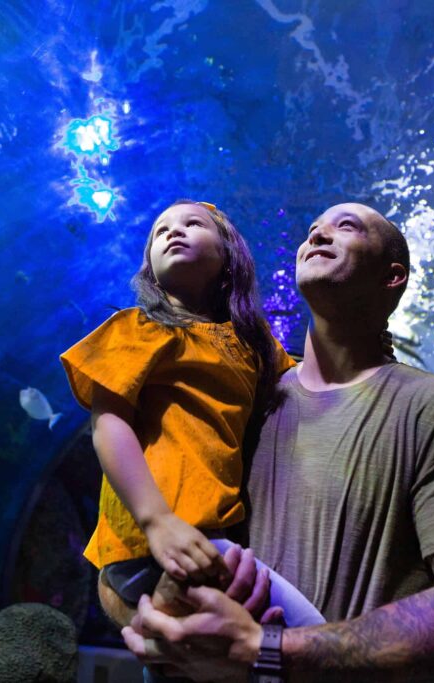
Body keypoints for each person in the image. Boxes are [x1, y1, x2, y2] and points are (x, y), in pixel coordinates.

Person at [121, 202, 434, 682]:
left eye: (346, 227)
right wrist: (146, 615)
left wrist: (267, 650)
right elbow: (130, 555)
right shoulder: (242, 404)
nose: (317, 236)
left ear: (392, 276)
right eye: (311, 230)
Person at [58, 200, 325, 645]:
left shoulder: (252, 343)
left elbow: (301, 378)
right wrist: (156, 519)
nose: (173, 231)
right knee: (310, 635)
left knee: (185, 660)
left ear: (229, 255)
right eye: (160, 230)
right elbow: (108, 421)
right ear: (149, 268)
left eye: (193, 223)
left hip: (204, 534)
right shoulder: (138, 328)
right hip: (162, 537)